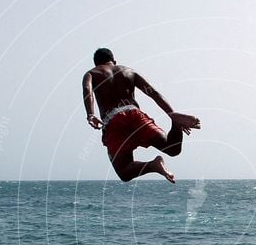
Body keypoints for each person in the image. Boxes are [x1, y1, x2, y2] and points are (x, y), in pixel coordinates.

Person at [82, 48, 200, 183]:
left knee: (124, 172)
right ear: (114, 61)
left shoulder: (92, 73)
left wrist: (90, 114)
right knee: (172, 148)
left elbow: (87, 90)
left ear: (96, 63)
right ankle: (176, 123)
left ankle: (153, 166)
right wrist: (171, 114)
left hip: (113, 120)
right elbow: (153, 93)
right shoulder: (129, 71)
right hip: (135, 114)